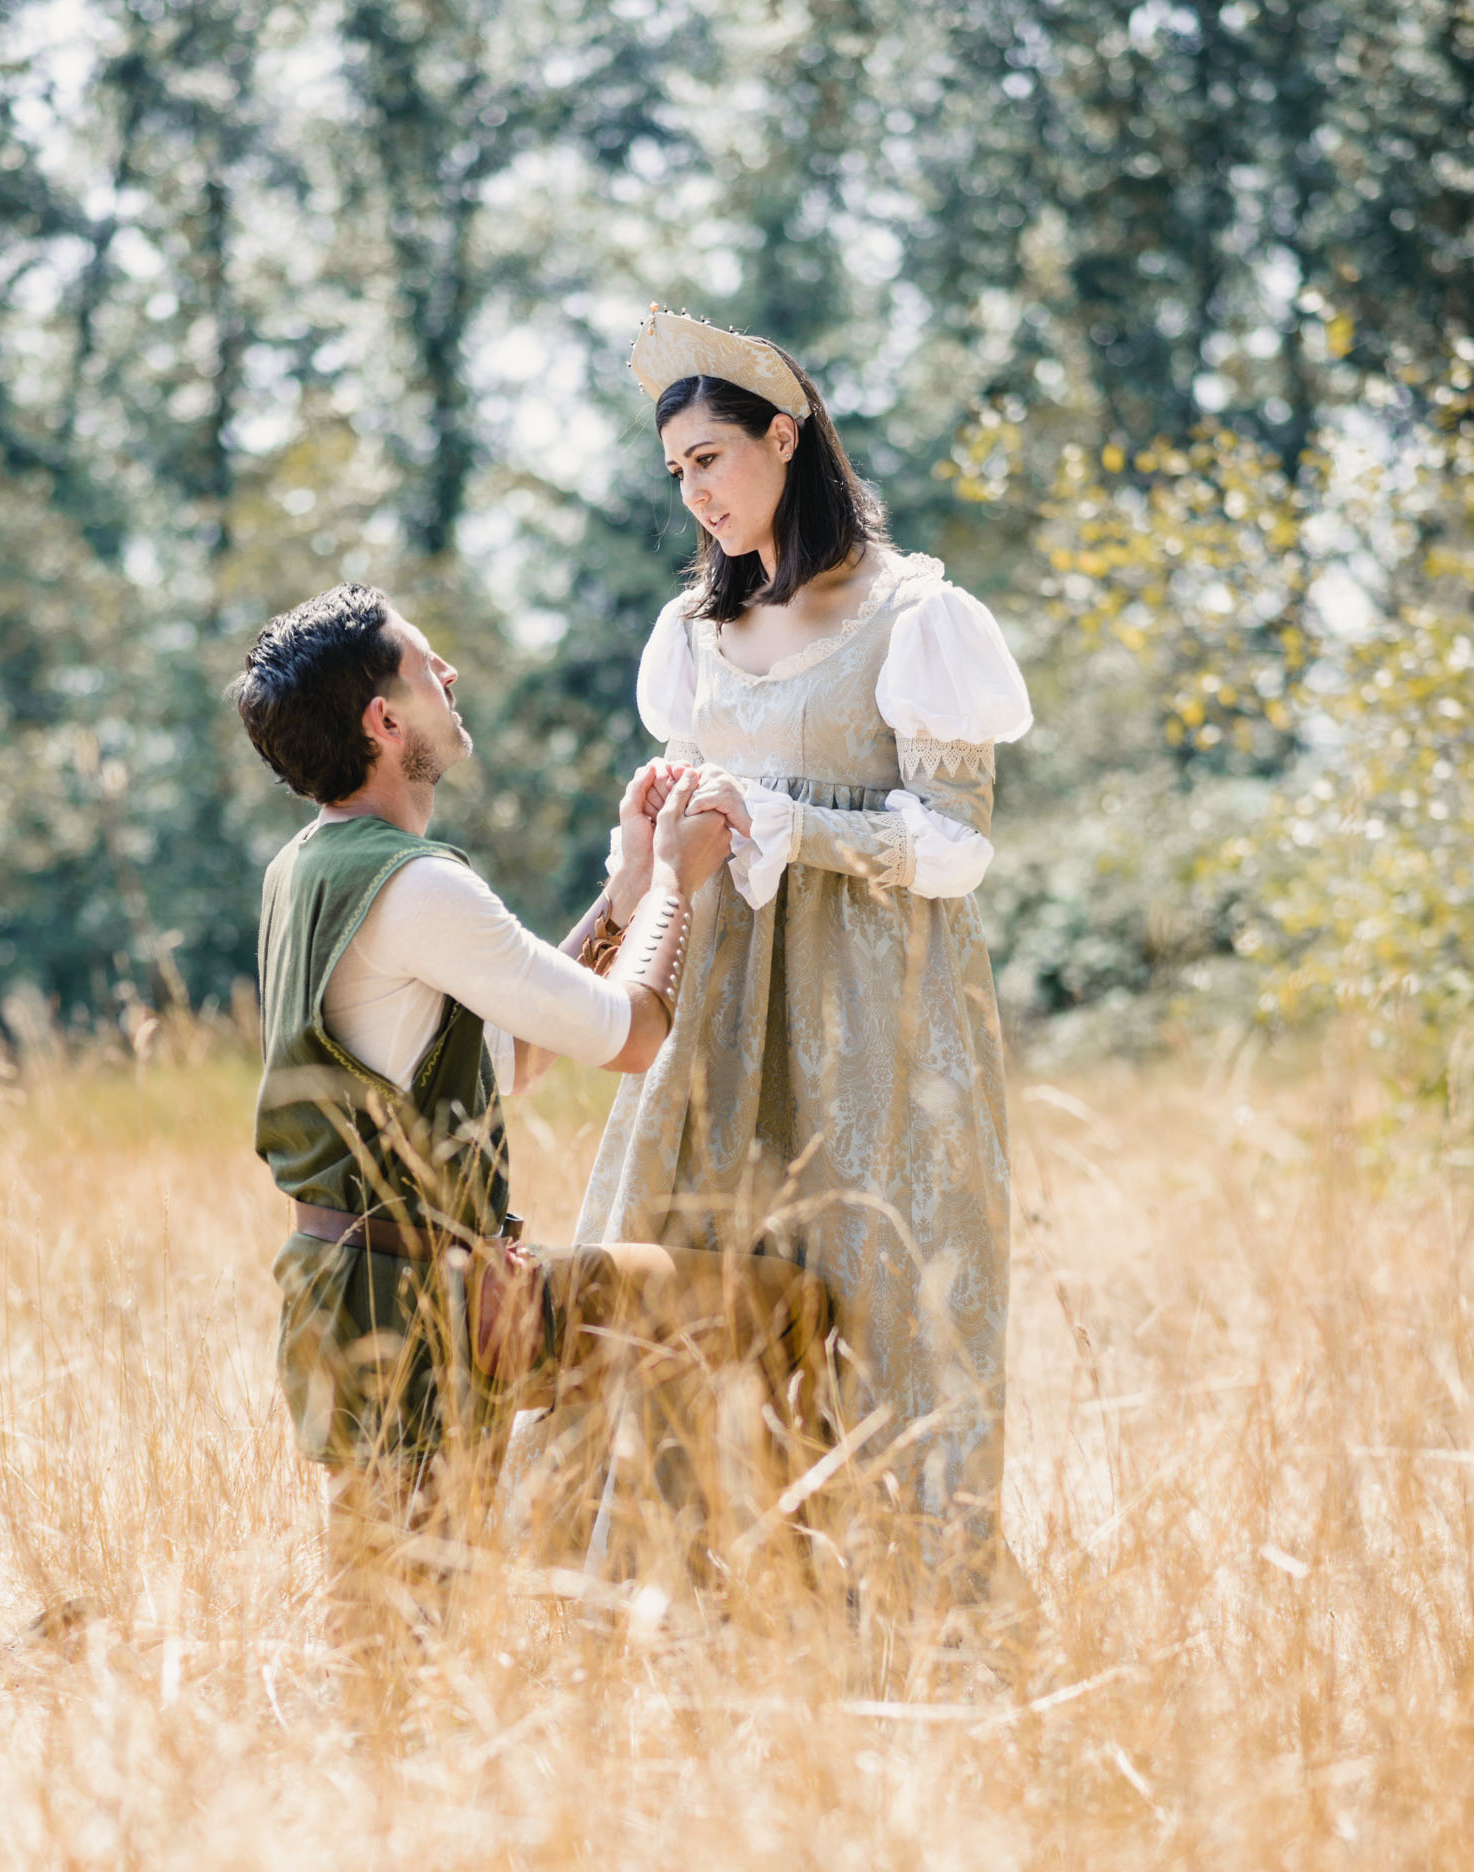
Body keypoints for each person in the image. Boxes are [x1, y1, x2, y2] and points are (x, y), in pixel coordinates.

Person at [576, 308, 1032, 1594]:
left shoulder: (916, 617)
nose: (696, 493)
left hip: (881, 1010)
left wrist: (791, 825)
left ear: (787, 437)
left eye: (711, 457)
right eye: (677, 473)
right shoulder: (691, 636)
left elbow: (957, 848)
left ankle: (905, 1610)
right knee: (692, 1277)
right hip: (722, 1008)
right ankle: (688, 1597)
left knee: (888, 1293)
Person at [233, 581, 827, 1541]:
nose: (450, 672)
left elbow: (510, 1055)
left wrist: (628, 887)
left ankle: (681, 1584)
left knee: (765, 1305)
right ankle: (662, 1586)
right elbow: (628, 1034)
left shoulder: (308, 864)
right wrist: (678, 878)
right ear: (385, 719)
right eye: (429, 665)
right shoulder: (417, 883)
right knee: (399, 1635)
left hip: (420, 1292)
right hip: (408, 1311)